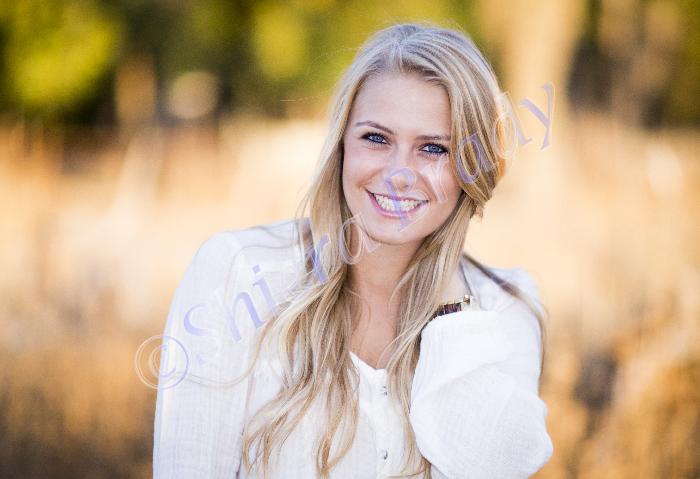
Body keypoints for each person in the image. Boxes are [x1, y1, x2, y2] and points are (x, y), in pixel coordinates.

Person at [152, 21, 554, 479]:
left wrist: (447, 282)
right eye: (376, 138)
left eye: (434, 149)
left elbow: (498, 466)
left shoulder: (505, 307)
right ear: (342, 143)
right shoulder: (237, 272)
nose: (399, 174)